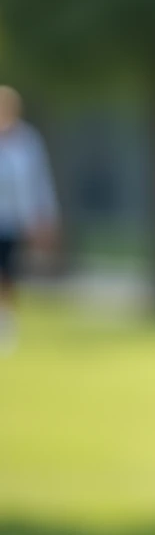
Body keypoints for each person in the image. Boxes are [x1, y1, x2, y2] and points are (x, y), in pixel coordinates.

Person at [0, 86, 60, 353]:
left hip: (13, 220)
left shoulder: (27, 141)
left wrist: (45, 218)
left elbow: (39, 181)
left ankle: (6, 324)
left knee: (8, 274)